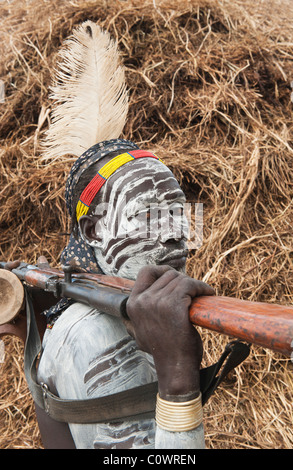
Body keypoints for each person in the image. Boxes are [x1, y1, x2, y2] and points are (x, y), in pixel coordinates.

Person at [24, 21, 216, 449]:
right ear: (93, 230)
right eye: (148, 218)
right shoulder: (98, 338)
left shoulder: (98, 318)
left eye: (179, 218)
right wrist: (178, 380)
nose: (173, 237)